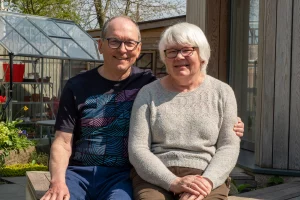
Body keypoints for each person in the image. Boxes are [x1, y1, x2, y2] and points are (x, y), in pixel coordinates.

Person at [41, 16, 244, 200]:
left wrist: (232, 124)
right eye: (114, 41)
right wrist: (57, 181)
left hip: (121, 176)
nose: (122, 49)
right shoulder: (78, 86)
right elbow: (62, 141)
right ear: (100, 46)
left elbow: (183, 103)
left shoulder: (146, 83)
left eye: (129, 43)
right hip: (80, 173)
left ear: (138, 49)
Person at [128, 22, 240, 200]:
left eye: (187, 50)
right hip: (156, 175)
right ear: (165, 58)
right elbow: (137, 148)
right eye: (172, 51)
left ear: (202, 55)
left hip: (205, 173)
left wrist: (208, 181)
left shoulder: (222, 92)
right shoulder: (148, 93)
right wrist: (172, 182)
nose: (179, 57)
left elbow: (229, 145)